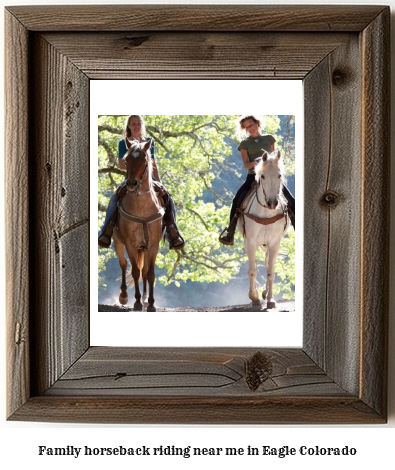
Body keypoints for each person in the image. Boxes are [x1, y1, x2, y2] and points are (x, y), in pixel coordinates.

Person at [98, 115, 185, 250]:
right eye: (133, 123)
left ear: (142, 125)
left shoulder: (149, 142)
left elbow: (154, 164)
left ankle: (173, 232)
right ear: (129, 126)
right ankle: (106, 231)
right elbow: (121, 165)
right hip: (131, 179)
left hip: (150, 180)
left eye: (138, 123)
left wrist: (160, 183)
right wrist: (135, 161)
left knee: (168, 199)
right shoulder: (124, 142)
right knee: (115, 198)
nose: (136, 126)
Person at [219, 115, 295, 245]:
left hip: (271, 176)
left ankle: (299, 228)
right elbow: (246, 165)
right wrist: (256, 163)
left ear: (257, 123)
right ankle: (230, 232)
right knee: (236, 200)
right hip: (253, 176)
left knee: (291, 200)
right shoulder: (244, 144)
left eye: (251, 124)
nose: (250, 128)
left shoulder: (269, 139)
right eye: (246, 127)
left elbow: (274, 159)